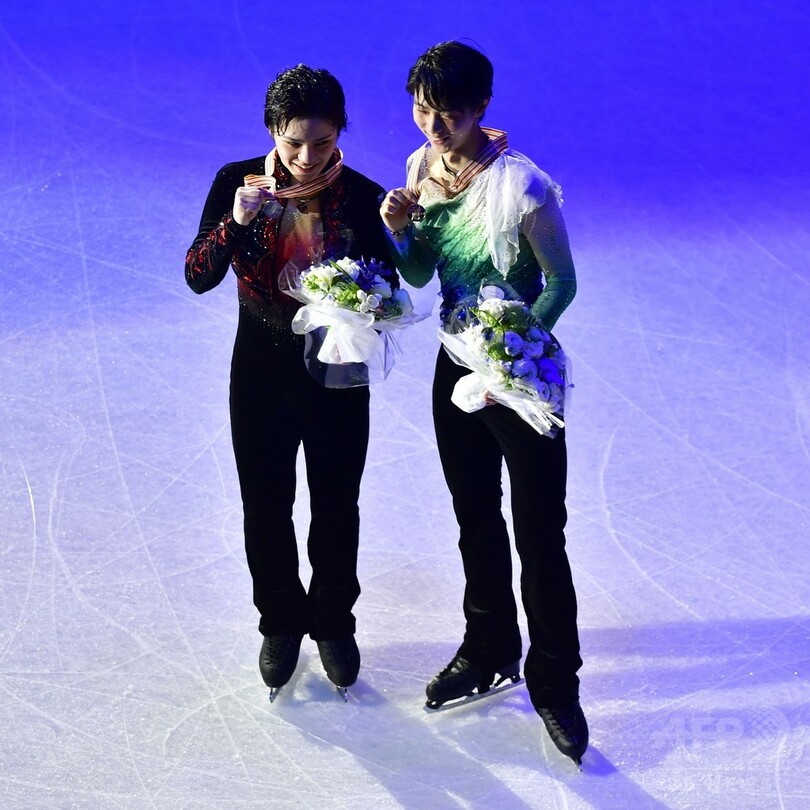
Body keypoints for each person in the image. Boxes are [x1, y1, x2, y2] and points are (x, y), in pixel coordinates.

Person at [380, 41, 588, 764]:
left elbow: (561, 283)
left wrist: (515, 347)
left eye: (452, 112)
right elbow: (416, 274)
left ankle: (556, 680)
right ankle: (491, 645)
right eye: (423, 109)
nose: (435, 125)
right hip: (454, 368)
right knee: (475, 517)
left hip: (523, 377)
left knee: (538, 532)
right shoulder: (418, 170)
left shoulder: (525, 189)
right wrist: (401, 227)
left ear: (482, 110)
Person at [185, 65, 390, 700]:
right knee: (265, 503)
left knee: (337, 503)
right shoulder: (235, 183)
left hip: (338, 371)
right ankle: (280, 620)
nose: (306, 158)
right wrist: (235, 223)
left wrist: (366, 298)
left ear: (340, 134)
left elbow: (389, 289)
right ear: (273, 129)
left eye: (323, 143)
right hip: (260, 370)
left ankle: (332, 621)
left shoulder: (361, 195)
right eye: (293, 142)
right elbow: (197, 274)